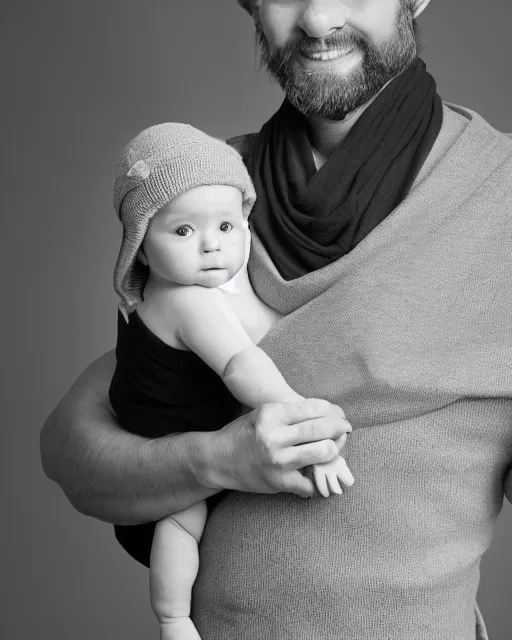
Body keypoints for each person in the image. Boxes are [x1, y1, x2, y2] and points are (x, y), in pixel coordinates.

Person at [40, 1, 512, 638]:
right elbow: (72, 452)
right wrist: (215, 460)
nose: (318, 19)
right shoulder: (204, 201)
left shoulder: (498, 195)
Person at [108, 122, 354, 640]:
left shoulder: (201, 281)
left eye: (225, 226)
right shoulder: (185, 298)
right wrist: (302, 417)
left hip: (167, 416)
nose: (210, 247)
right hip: (164, 440)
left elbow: (257, 320)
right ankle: (173, 618)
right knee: (183, 517)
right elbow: (242, 365)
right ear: (142, 250)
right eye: (183, 231)